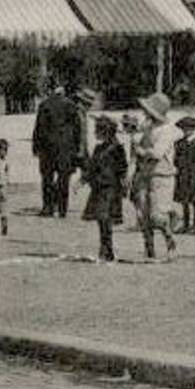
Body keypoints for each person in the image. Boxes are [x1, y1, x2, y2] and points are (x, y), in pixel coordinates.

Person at [124, 100, 177, 261]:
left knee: (157, 216)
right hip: (144, 174)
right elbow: (134, 146)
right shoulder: (147, 127)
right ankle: (149, 248)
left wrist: (139, 149)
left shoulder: (167, 131)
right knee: (142, 214)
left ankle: (170, 240)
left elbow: (156, 153)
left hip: (161, 176)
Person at [32, 80, 88, 218]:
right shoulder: (71, 105)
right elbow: (77, 128)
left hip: (48, 148)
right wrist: (77, 148)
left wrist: (36, 146)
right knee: (64, 179)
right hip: (66, 148)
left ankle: (48, 208)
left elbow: (39, 127)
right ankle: (63, 209)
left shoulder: (44, 105)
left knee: (47, 178)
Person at [81, 115, 128, 262]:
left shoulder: (117, 149)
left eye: (99, 130)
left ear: (107, 131)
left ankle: (107, 248)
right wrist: (82, 180)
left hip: (111, 188)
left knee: (105, 217)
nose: (96, 133)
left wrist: (124, 185)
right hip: (98, 187)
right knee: (101, 220)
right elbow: (92, 167)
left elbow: (122, 168)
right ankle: (105, 247)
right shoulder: (98, 148)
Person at [173, 116, 195, 234]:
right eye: (184, 129)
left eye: (189, 129)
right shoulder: (179, 143)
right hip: (183, 175)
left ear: (194, 129)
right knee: (184, 201)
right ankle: (186, 224)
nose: (186, 131)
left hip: (193, 176)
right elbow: (176, 159)